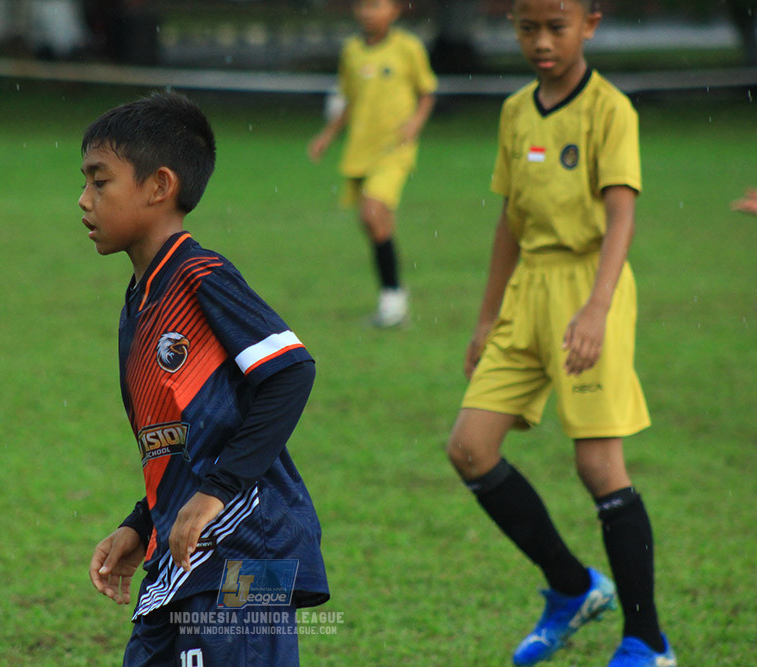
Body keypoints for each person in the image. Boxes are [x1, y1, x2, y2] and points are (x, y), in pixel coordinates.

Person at [445, 2, 676, 666]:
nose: (541, 42)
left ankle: (649, 641)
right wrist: (487, 317)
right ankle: (573, 588)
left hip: (589, 287)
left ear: (590, 24)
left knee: (598, 464)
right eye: (527, 28)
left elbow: (622, 215)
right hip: (527, 293)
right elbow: (510, 220)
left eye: (557, 26)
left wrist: (598, 307)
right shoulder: (516, 110)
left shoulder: (610, 109)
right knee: (470, 448)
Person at [83, 91, 329, 666]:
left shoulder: (200, 276)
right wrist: (140, 522)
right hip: (180, 556)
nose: (84, 200)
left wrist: (217, 491)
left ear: (159, 186)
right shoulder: (140, 300)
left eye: (100, 182)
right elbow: (187, 439)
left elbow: (291, 372)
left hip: (248, 554)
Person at [308, 0, 437, 328]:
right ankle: (394, 298)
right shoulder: (352, 51)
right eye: (363, 6)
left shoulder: (408, 48)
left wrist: (414, 124)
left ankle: (392, 299)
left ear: (395, 11)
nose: (368, 12)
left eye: (376, 6)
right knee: (374, 223)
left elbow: (427, 93)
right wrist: (327, 135)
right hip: (360, 149)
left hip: (394, 149)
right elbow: (350, 100)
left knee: (372, 212)